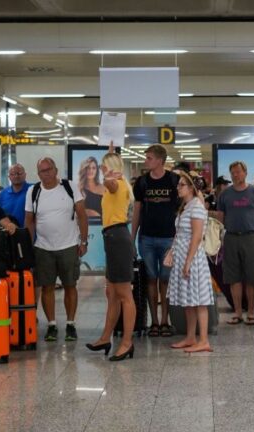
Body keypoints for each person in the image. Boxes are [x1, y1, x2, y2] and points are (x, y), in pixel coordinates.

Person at [25, 158, 88, 342]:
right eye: (43, 171)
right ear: (38, 174)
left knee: (70, 285)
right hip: (43, 247)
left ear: (56, 169)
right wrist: (29, 246)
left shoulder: (69, 187)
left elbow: (82, 215)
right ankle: (51, 324)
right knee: (47, 287)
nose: (47, 173)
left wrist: (83, 242)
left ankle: (70, 324)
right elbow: (28, 220)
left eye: (49, 169)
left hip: (68, 245)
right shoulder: (33, 191)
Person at [86, 149, 137, 361]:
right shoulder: (113, 185)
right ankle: (106, 337)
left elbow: (110, 184)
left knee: (124, 294)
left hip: (118, 238)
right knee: (112, 294)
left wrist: (108, 177)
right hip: (112, 238)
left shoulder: (117, 184)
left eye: (104, 166)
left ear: (112, 167)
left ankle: (127, 342)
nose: (101, 169)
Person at [131, 144, 180, 337]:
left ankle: (165, 321)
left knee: (165, 280)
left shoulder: (174, 180)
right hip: (147, 238)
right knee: (151, 279)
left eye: (149, 158)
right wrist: (132, 237)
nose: (146, 161)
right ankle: (154, 322)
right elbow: (137, 211)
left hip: (169, 238)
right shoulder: (142, 183)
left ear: (160, 160)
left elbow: (182, 208)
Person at [217, 161, 254, 325]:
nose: (236, 175)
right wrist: (219, 239)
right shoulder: (225, 194)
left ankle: (251, 312)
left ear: (245, 173)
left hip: (250, 237)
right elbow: (220, 218)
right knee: (234, 278)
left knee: (251, 276)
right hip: (231, 237)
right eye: (233, 173)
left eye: (238, 172)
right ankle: (237, 312)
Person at [165, 171, 214, 353]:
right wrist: (172, 252)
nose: (178, 188)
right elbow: (180, 234)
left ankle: (204, 340)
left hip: (192, 258)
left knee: (199, 299)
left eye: (182, 185)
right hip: (183, 255)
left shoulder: (197, 207)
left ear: (191, 188)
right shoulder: (185, 207)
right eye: (178, 185)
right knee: (188, 300)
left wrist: (188, 262)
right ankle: (191, 337)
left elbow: (196, 237)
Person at [0, 163, 32, 227]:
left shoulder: (33, 189)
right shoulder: (3, 194)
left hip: (30, 233)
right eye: (13, 174)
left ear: (25, 175)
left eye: (19, 173)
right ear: (9, 177)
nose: (16, 176)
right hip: (9, 234)